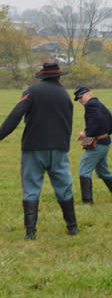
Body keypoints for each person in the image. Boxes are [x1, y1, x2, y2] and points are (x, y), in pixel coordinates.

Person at [0, 62, 77, 239]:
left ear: (42, 76)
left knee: (31, 188)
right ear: (59, 77)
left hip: (34, 147)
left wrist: (1, 134)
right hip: (59, 147)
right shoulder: (65, 95)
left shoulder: (32, 91)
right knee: (64, 186)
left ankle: (30, 232)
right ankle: (72, 227)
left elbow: (16, 114)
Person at [74, 86, 112, 204]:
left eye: (81, 97)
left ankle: (87, 202)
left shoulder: (90, 105)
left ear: (88, 94)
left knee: (84, 170)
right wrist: (104, 134)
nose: (80, 101)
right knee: (103, 171)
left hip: (98, 144)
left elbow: (95, 122)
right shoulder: (99, 104)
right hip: (105, 143)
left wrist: (85, 133)